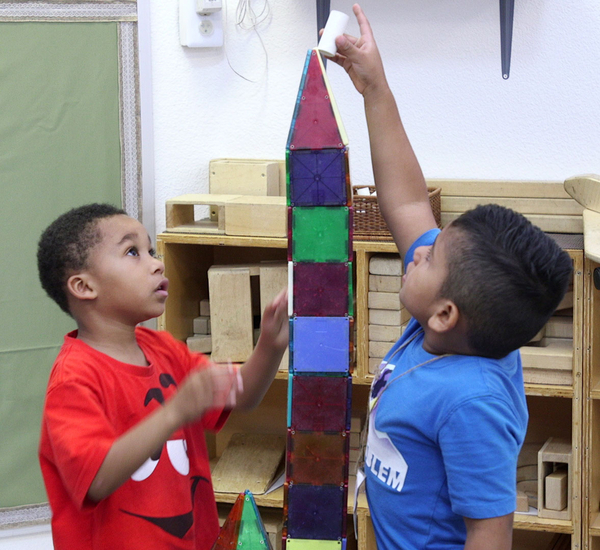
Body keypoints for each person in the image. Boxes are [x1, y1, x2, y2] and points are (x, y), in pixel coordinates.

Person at [329, 5, 573, 550]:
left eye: (431, 256)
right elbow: (410, 199)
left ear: (447, 311)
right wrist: (375, 89)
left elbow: (490, 533)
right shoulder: (446, 324)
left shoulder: (473, 403)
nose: (418, 251)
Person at [36, 203, 289, 550]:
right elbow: (95, 479)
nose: (156, 263)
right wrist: (173, 412)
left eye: (152, 250)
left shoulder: (162, 348)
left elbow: (242, 395)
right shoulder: (73, 380)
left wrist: (271, 346)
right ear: (83, 286)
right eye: (132, 252)